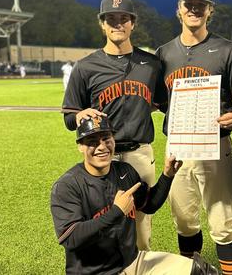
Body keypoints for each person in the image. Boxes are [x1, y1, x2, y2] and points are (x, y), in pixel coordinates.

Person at [155, 0, 232, 274]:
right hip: (179, 147)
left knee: (222, 223)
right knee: (184, 221)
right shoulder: (164, 53)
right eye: (189, 4)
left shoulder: (227, 49)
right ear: (179, 10)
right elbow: (158, 101)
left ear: (210, 10)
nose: (194, 9)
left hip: (215, 146)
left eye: (201, 5)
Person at [61, 0, 166, 251]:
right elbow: (69, 117)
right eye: (111, 19)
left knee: (141, 231)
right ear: (102, 23)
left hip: (139, 155)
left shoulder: (151, 64)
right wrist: (79, 115)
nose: (117, 24)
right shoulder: (86, 66)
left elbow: (163, 103)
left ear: (133, 23)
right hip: (100, 157)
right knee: (103, 225)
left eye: (123, 19)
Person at [50, 116, 218, 275]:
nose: (102, 147)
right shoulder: (68, 186)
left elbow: (150, 204)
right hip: (95, 271)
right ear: (80, 146)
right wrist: (116, 212)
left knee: (201, 271)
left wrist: (167, 175)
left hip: (133, 262)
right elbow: (71, 238)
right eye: (92, 142)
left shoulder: (124, 171)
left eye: (106, 139)